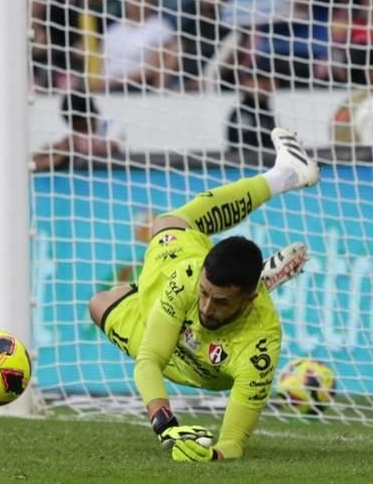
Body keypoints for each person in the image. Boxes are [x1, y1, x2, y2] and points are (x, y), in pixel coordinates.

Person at [87, 127, 318, 462]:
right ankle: (284, 175)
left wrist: (209, 456)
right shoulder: (189, 277)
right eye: (207, 294)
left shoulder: (261, 346)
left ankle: (284, 176)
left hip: (205, 365)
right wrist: (165, 424)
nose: (208, 308)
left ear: (247, 299)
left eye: (221, 300)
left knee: (164, 226)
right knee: (105, 297)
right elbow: (150, 360)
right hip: (169, 298)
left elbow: (233, 444)